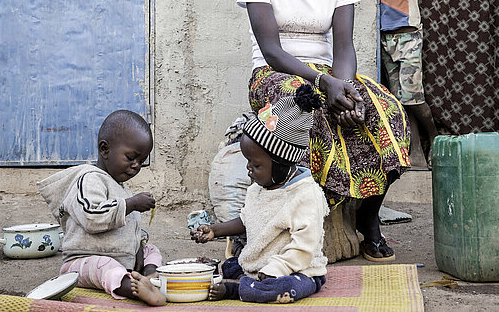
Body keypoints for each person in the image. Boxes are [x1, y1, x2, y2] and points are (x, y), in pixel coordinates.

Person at [236, 0, 411, 262]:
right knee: (301, 109)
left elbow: (344, 46)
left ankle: (369, 220)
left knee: (386, 111)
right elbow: (270, 50)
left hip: (330, 74)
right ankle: (304, 220)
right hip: (276, 75)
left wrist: (344, 91)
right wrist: (324, 84)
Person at [191, 84, 329, 303]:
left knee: (284, 287)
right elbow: (248, 219)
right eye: (248, 162)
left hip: (297, 269)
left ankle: (235, 290)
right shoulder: (258, 188)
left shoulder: (305, 194)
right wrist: (215, 231)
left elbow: (304, 247)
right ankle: (246, 282)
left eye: (255, 165)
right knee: (231, 265)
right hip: (259, 267)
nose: (249, 169)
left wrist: (277, 268)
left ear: (281, 163)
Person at [38, 110, 166, 306]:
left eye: (142, 161)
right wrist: (130, 204)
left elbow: (129, 229)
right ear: (105, 149)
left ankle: (150, 276)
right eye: (131, 157)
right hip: (84, 262)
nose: (136, 166)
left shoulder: (121, 187)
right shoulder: (89, 179)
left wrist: (137, 249)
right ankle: (134, 289)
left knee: (150, 249)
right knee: (105, 266)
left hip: (123, 260)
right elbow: (92, 217)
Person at [370, 0, 438, 164]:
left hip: (407, 35)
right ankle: (417, 153)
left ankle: (436, 139)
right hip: (387, 37)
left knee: (413, 97)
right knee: (401, 100)